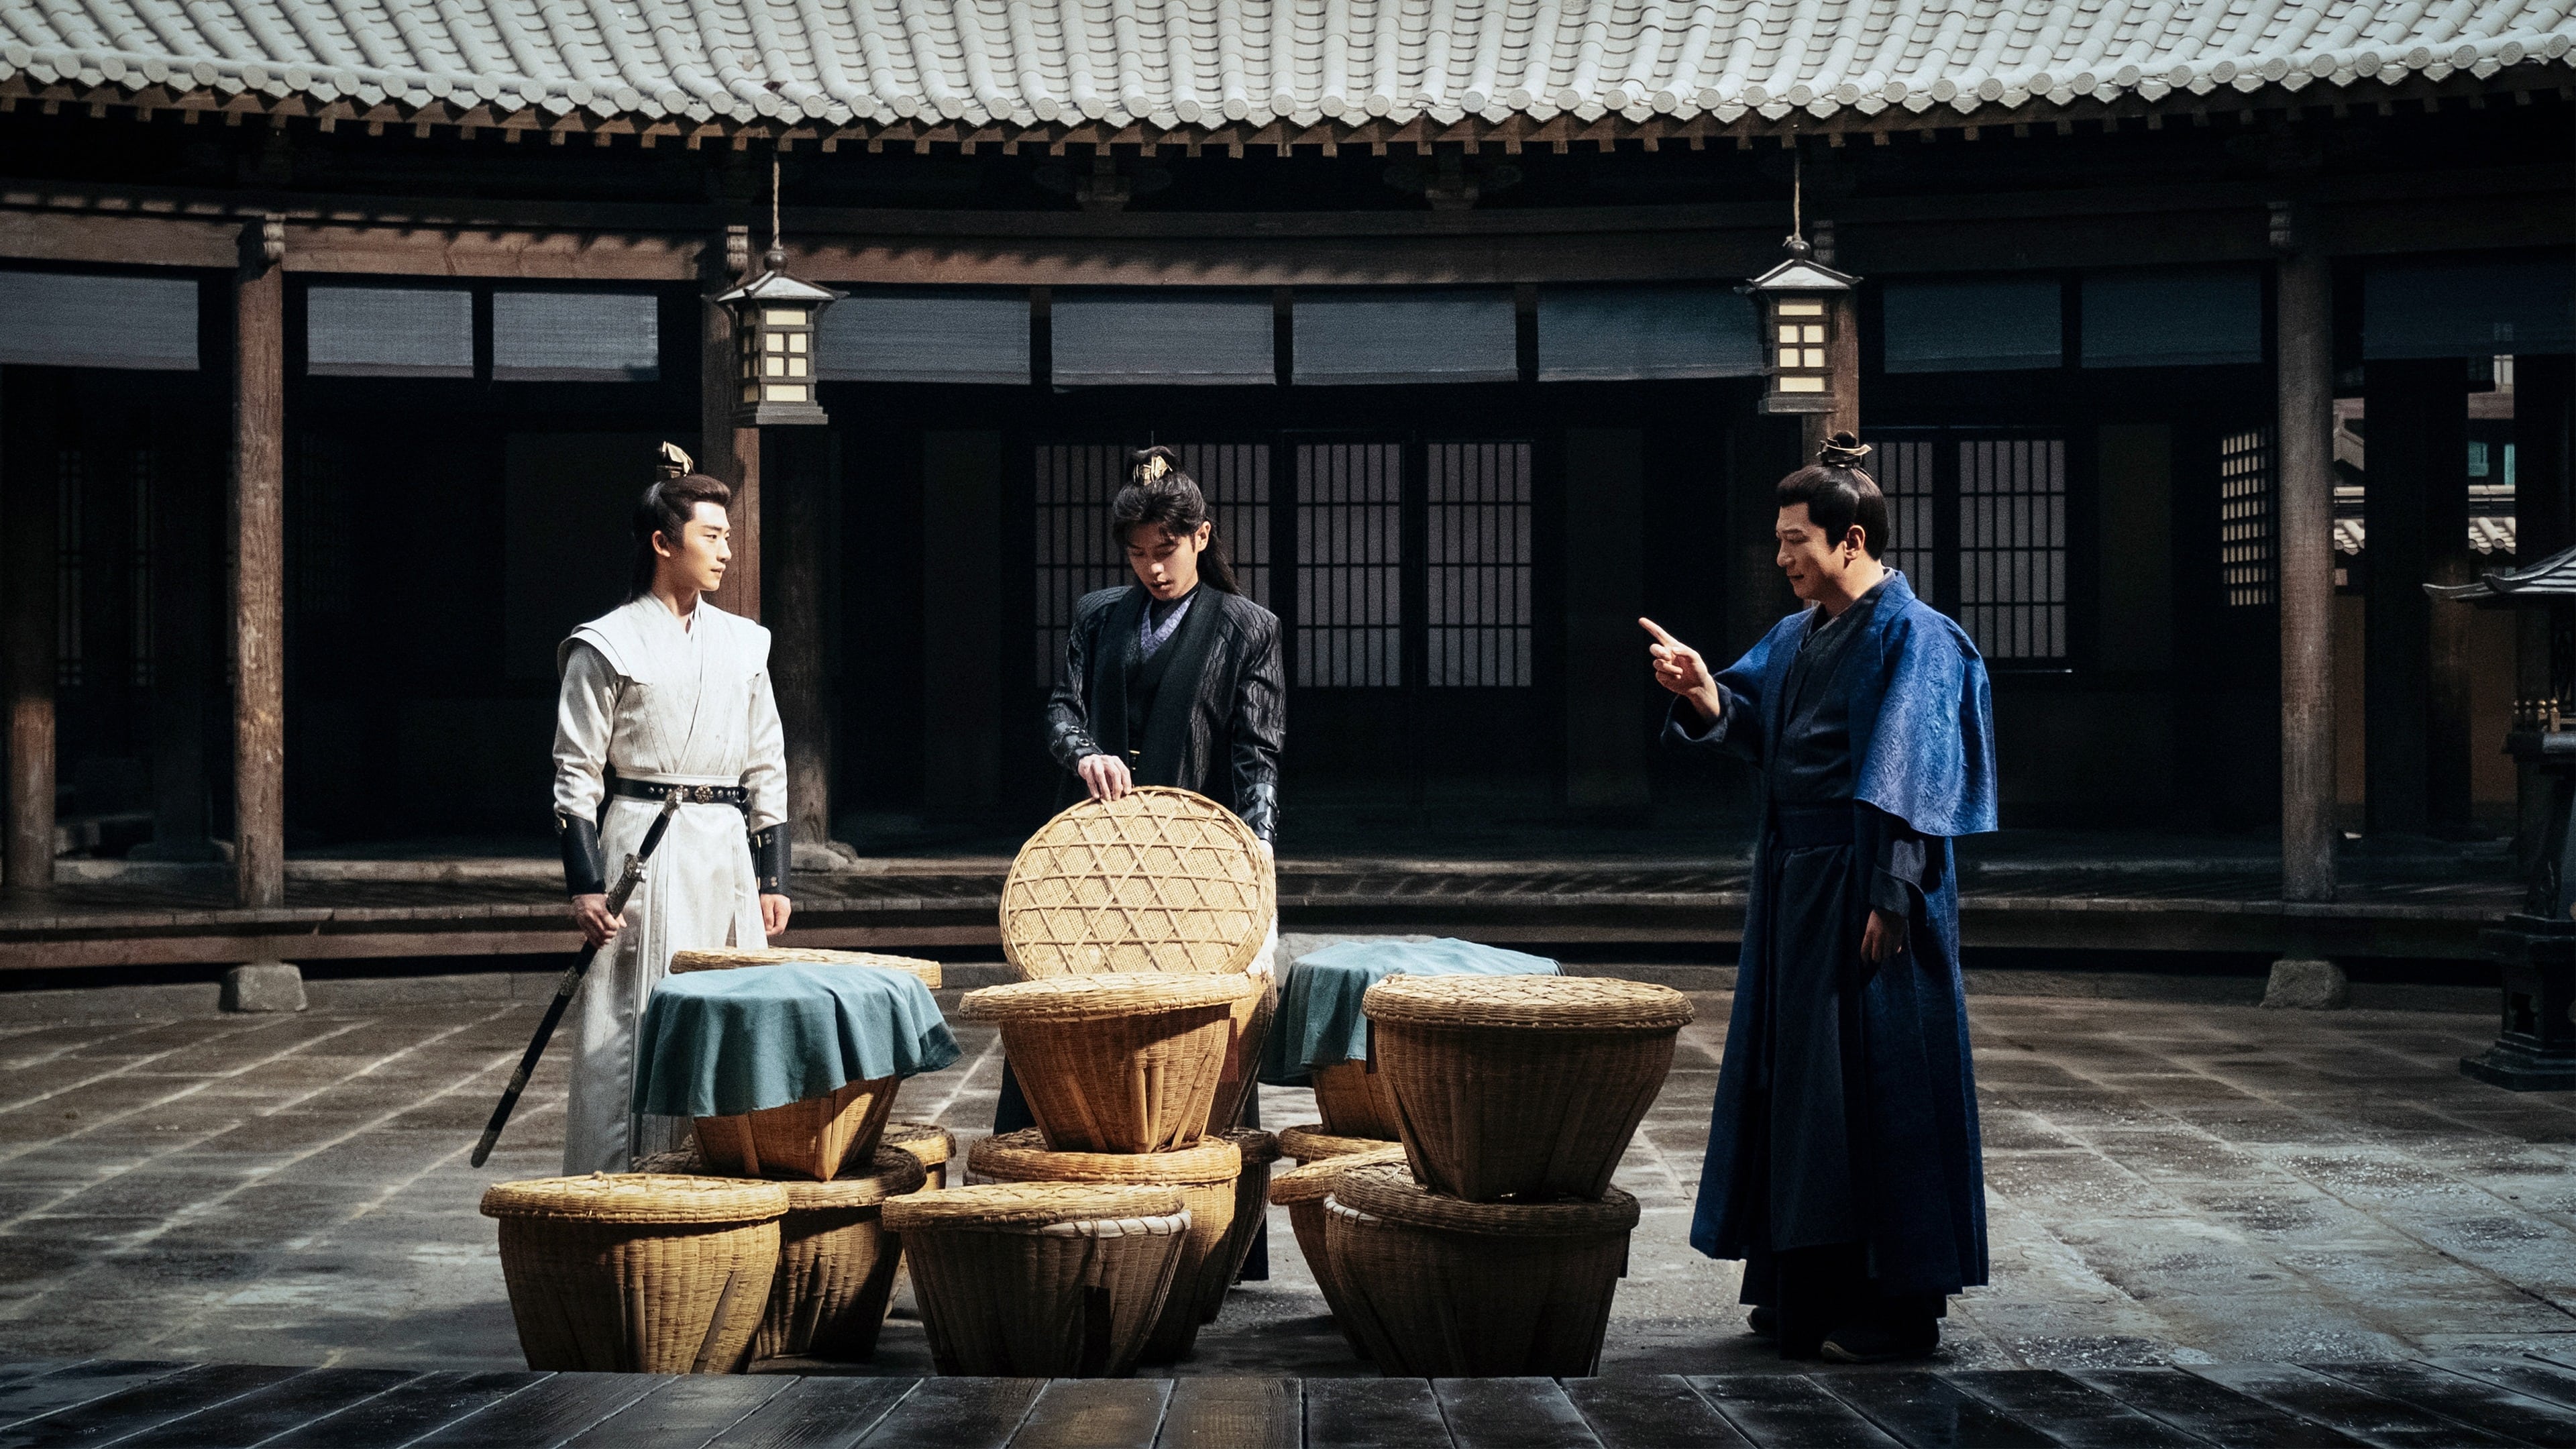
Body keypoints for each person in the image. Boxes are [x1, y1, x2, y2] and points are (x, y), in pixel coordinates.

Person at [1642, 431, 1996, 1364]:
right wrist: (1703, 692)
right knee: (1800, 1085)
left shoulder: (1915, 637)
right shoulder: (1800, 634)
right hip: (1796, 885)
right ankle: (1803, 1289)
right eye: (1780, 540)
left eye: (1796, 540)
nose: (1783, 558)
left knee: (1877, 1084)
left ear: (1852, 540)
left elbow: (1916, 775)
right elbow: (1756, 722)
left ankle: (1896, 1304)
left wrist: (1892, 892)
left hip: (1871, 882)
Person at [1015, 443, 1286, 1099]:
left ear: (1201, 537)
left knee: (1183, 1011)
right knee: (1077, 995)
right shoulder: (1099, 614)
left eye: (1166, 550)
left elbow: (1258, 750)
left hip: (1190, 848)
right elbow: (1062, 709)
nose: (1154, 569)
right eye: (1138, 554)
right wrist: (1085, 753)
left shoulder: (1248, 628)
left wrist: (1258, 850)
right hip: (1095, 837)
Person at [550, 445, 791, 1175]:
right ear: (663, 543)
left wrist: (773, 875)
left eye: (727, 536)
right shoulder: (606, 643)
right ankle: (622, 1179)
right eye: (710, 536)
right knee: (631, 1020)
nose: (725, 552)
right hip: (644, 848)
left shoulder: (745, 643)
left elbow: (766, 760)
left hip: (723, 848)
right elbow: (575, 771)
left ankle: (724, 1176)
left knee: (730, 1014)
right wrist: (586, 885)